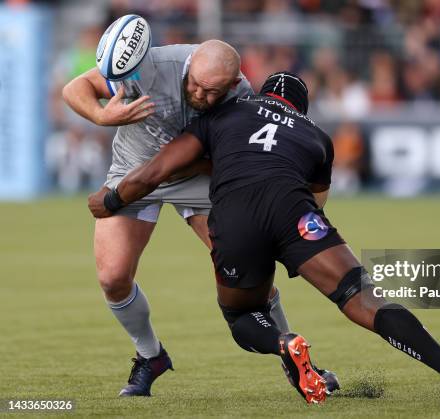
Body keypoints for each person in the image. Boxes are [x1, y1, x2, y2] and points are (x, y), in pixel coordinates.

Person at [88, 72, 440, 407]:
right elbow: (318, 201)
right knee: (361, 295)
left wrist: (112, 199)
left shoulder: (224, 114)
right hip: (296, 213)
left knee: (243, 315)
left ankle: (283, 342)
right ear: (300, 107)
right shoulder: (316, 137)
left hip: (237, 217)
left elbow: (157, 170)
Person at [63, 38, 338, 397]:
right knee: (113, 278)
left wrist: (180, 166)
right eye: (195, 85)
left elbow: (232, 154)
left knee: (249, 275)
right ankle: (151, 356)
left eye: (212, 92)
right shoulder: (149, 65)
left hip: (198, 181)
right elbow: (75, 88)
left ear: (232, 85)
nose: (201, 95)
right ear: (188, 66)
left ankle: (295, 362)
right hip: (133, 173)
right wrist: (102, 115)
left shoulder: (241, 95)